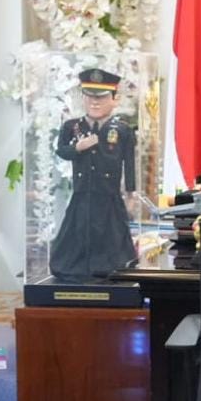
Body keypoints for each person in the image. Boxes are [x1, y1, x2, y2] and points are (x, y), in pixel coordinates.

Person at [50, 68, 136, 283]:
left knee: (112, 234)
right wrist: (78, 147)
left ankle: (111, 267)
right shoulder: (72, 127)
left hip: (109, 194)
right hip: (82, 192)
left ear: (114, 99)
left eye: (102, 97)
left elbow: (129, 163)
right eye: (89, 97)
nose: (95, 103)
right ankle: (74, 268)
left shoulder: (122, 130)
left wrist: (131, 193)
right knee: (77, 231)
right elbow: (61, 151)